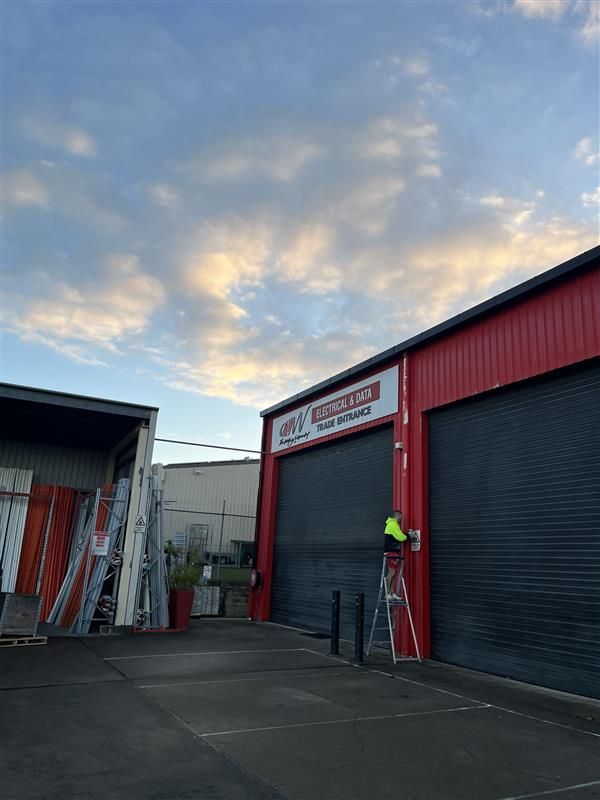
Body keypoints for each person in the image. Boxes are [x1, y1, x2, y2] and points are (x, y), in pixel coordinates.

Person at [384, 510, 407, 599]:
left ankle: (392, 593)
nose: (401, 518)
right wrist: (409, 535)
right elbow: (400, 537)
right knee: (391, 572)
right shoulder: (393, 524)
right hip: (391, 552)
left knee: (394, 572)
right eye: (400, 516)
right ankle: (387, 594)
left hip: (393, 551)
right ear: (396, 516)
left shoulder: (393, 524)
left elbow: (398, 536)